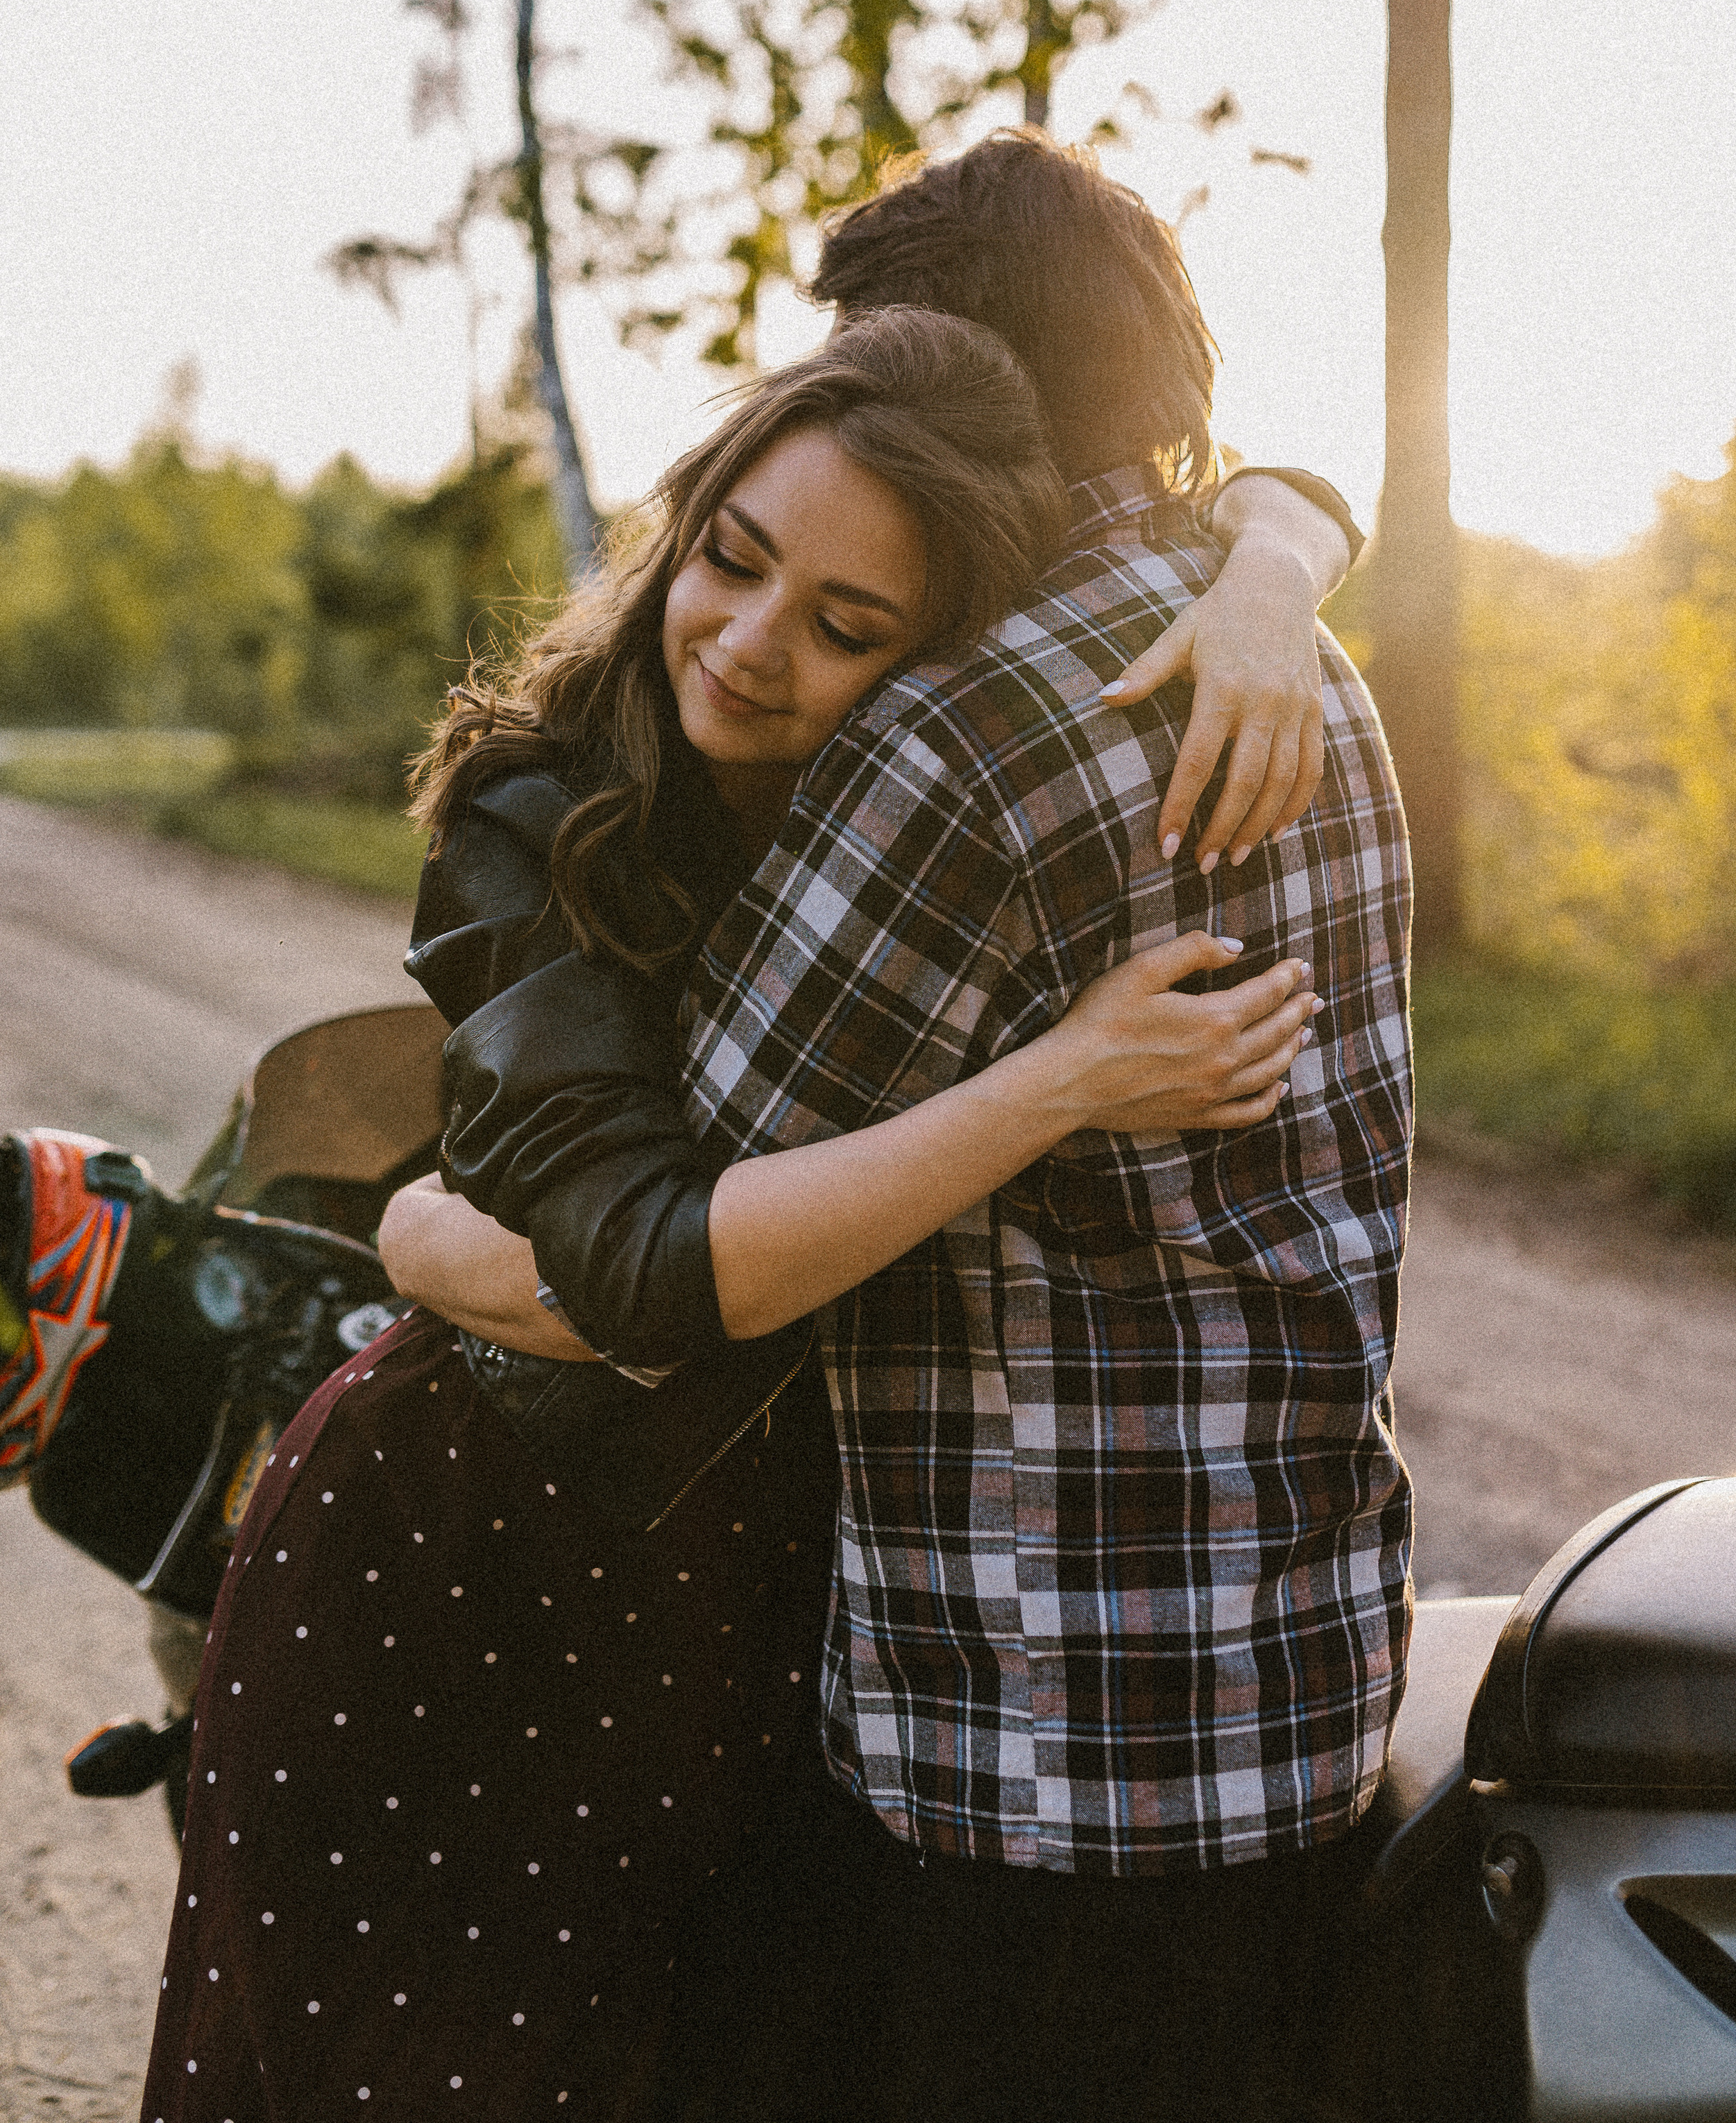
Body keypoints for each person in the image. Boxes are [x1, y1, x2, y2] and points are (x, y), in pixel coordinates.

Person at [139, 305, 1337, 2123]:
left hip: (749, 1629)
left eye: (849, 628)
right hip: (456, 1574)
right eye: (735, 560)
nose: (752, 647)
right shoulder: (538, 806)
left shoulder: (926, 815)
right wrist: (1066, 1083)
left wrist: (1282, 552)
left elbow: (1221, 486)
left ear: (944, 666)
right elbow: (638, 1271)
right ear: (688, 519)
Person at [397, 133, 1413, 2123]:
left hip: (1025, 1738)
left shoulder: (960, 736)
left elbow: (676, 1250)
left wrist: (416, 1239)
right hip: (1297, 1679)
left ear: (975, 393)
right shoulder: (1305, 668)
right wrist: (1287, 538)